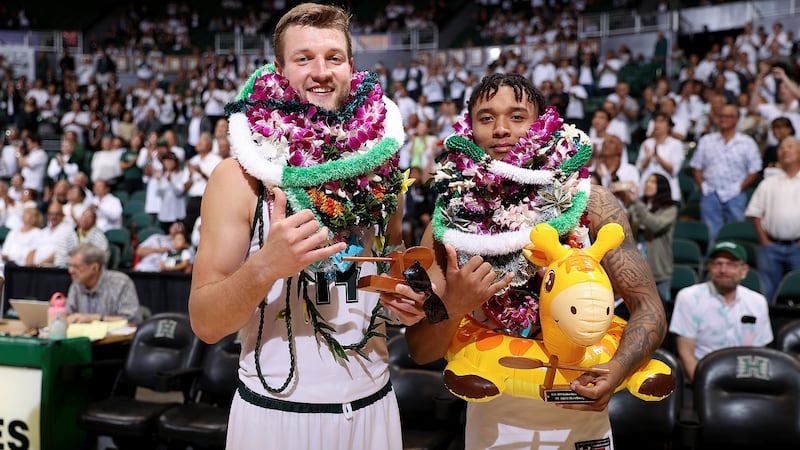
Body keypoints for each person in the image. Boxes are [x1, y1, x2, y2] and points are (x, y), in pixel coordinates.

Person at [188, 4, 427, 449]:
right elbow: (205, 323)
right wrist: (265, 267)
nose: (321, 72)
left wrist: (402, 298)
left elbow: (387, 265)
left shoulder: (383, 170)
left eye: (333, 57)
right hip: (277, 414)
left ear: (352, 68)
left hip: (374, 408)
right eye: (303, 59)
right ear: (279, 71)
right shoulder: (238, 178)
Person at [398, 73, 667, 449]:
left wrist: (619, 368)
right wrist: (457, 305)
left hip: (584, 418)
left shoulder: (590, 202)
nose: (501, 129)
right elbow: (421, 350)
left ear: (542, 123)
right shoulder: (451, 219)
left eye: (517, 116)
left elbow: (649, 307)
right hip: (494, 426)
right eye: (486, 118)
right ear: (468, 128)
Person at [669, 241, 772, 383]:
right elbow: (686, 353)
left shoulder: (757, 302)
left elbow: (760, 352)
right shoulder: (689, 298)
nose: (723, 270)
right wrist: (703, 388)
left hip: (744, 378)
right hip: (701, 376)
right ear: (709, 268)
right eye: (717, 264)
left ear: (744, 271)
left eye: (731, 264)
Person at [690, 104, 762, 241]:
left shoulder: (747, 143)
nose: (723, 119)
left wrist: (740, 188)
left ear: (737, 119)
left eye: (728, 116)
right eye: (721, 116)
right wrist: (702, 186)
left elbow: (755, 169)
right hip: (710, 193)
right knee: (711, 235)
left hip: (735, 194)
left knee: (736, 233)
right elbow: (696, 166)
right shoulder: (707, 140)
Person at [745, 136, 800, 303]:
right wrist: (764, 240)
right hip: (770, 247)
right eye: (782, 147)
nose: (785, 150)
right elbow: (755, 213)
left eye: (790, 146)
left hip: (798, 247)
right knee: (766, 294)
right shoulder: (768, 183)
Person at [622, 173, 679, 301]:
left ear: (662, 186)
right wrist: (623, 199)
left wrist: (636, 202)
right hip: (636, 268)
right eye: (647, 181)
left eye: (653, 182)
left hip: (658, 269)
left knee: (660, 310)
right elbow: (624, 224)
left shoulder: (670, 208)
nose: (648, 184)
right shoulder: (637, 205)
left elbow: (655, 224)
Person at [65, 243, 141, 324]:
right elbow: (68, 313)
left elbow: (132, 321)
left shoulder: (121, 283)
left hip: (116, 336)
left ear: (94, 268)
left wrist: (94, 319)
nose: (71, 271)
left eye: (76, 266)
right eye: (69, 266)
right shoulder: (77, 284)